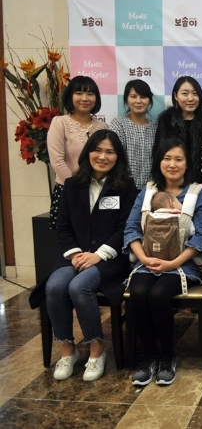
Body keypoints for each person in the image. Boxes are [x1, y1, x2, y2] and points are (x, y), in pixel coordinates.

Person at [43, 129, 137, 381]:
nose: (103, 157)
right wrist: (75, 254)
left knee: (79, 286)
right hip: (74, 255)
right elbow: (63, 226)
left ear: (118, 156)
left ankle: (97, 349)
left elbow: (125, 228)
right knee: (54, 286)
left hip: (110, 258)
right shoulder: (72, 185)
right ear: (88, 153)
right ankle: (67, 349)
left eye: (110, 152)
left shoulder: (126, 187)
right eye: (97, 150)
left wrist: (98, 255)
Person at [123, 139, 202, 387]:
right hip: (148, 260)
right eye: (167, 158)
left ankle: (166, 356)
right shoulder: (147, 191)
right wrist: (143, 258)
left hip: (183, 263)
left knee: (159, 294)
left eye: (179, 159)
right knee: (138, 292)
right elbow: (131, 229)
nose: (172, 164)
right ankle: (148, 356)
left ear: (187, 164)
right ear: (159, 161)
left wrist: (173, 264)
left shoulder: (198, 193)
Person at [47, 75, 109, 228]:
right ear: (70, 96)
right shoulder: (60, 123)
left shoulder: (103, 127)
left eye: (90, 94)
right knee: (69, 237)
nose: (85, 98)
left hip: (97, 190)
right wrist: (76, 187)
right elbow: (57, 161)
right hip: (68, 189)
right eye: (79, 93)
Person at [153, 76, 202, 194]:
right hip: (171, 185)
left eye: (195, 93)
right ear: (176, 96)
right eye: (185, 93)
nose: (190, 98)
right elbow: (158, 153)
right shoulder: (166, 120)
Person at [110, 79, 158, 190]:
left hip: (150, 189)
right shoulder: (118, 124)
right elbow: (115, 155)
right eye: (133, 96)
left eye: (143, 97)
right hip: (122, 187)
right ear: (126, 101)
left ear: (150, 101)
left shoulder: (156, 128)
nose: (138, 101)